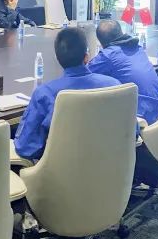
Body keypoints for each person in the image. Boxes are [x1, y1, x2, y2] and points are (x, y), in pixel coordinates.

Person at [14, 27, 120, 161]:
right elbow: (133, 131)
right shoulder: (114, 86)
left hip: (61, 172)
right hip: (111, 168)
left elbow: (26, 148)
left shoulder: (45, 94)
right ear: (86, 57)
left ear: (57, 58)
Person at [87, 20, 158, 124]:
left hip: (142, 116)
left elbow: (83, 75)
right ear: (121, 32)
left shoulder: (108, 55)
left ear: (100, 42)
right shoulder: (137, 48)